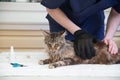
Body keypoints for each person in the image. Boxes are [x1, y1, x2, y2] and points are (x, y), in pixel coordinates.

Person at [41, 0, 120, 59]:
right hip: (63, 21)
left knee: (94, 58)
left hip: (93, 21)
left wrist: (108, 37)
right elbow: (51, 8)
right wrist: (78, 32)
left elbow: (117, 11)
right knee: (62, 59)